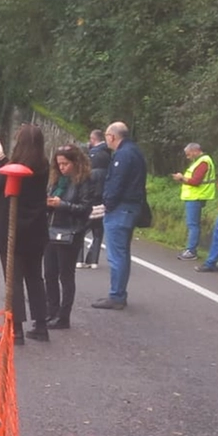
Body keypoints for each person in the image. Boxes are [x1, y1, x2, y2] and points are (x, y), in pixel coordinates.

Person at [0, 124, 51, 343]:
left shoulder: (18, 165)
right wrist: (3, 159)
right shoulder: (42, 166)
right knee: (35, 277)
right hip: (35, 228)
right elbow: (13, 175)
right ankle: (41, 325)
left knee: (13, 279)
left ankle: (16, 330)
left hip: (13, 229)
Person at [90, 122, 148, 310]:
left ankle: (116, 295)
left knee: (117, 254)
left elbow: (116, 183)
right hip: (131, 207)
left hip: (121, 208)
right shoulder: (135, 152)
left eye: (107, 135)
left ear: (112, 137)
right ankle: (119, 293)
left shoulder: (122, 155)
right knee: (122, 252)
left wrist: (107, 203)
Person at [44, 145, 99, 328]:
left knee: (66, 276)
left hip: (71, 231)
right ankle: (51, 311)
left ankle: (63, 316)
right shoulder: (57, 181)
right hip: (52, 229)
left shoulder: (85, 181)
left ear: (76, 163)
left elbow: (85, 209)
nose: (62, 167)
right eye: (59, 164)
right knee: (49, 273)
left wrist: (63, 205)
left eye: (65, 164)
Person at [170, 142, 217, 260]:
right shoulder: (199, 161)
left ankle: (191, 250)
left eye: (189, 154)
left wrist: (182, 178)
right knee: (193, 224)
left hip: (196, 196)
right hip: (194, 196)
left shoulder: (203, 162)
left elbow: (195, 181)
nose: (188, 157)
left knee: (193, 224)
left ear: (195, 151)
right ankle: (190, 249)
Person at [82, 128, 110, 269]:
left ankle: (79, 259)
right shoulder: (109, 155)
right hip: (103, 201)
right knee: (98, 232)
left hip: (91, 201)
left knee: (81, 229)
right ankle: (93, 260)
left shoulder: (91, 171)